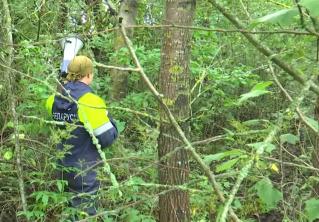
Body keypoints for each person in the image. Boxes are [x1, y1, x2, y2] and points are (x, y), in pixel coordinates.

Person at [46, 55, 118, 217]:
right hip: (84, 172)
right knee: (84, 215)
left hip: (62, 169)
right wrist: (109, 119)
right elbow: (107, 138)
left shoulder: (54, 99)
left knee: (68, 214)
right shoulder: (90, 101)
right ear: (89, 75)